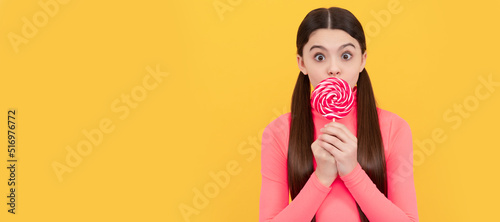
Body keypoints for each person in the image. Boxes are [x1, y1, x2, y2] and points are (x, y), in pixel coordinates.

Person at [259, 7, 418, 222]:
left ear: (362, 60)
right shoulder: (279, 132)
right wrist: (321, 178)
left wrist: (352, 171)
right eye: (319, 56)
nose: (333, 68)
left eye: (345, 55)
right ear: (302, 63)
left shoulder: (394, 128)